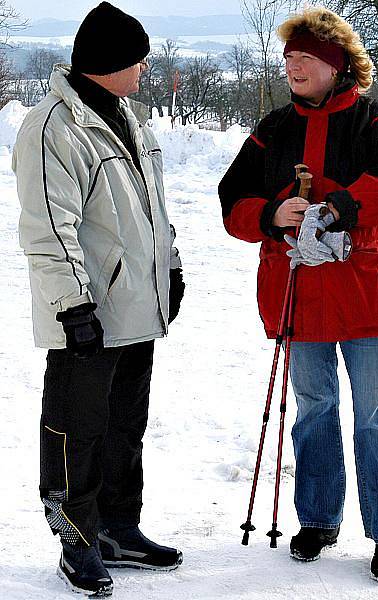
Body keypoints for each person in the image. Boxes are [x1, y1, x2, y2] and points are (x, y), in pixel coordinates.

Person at [219, 7, 378, 583]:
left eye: (307, 57)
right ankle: (318, 519)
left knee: (377, 417)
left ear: (337, 65)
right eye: (289, 57)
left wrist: (335, 211)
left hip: (369, 290)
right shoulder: (273, 128)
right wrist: (270, 213)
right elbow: (232, 196)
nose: (294, 65)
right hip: (299, 291)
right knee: (312, 411)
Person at [13, 2, 185, 596]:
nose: (144, 67)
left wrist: (172, 267)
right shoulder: (51, 126)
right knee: (76, 428)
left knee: (124, 428)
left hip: (136, 307)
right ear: (107, 62)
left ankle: (118, 527)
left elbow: (152, 209)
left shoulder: (130, 118)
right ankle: (77, 541)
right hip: (87, 314)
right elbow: (47, 227)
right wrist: (72, 306)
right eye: (135, 58)